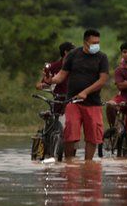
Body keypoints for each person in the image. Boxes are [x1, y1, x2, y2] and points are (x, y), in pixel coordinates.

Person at [44, 29, 108, 161]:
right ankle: (69, 161)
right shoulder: (73, 55)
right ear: (85, 42)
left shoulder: (102, 57)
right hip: (73, 101)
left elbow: (102, 80)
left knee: (93, 135)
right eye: (93, 42)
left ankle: (88, 163)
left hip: (93, 102)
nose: (96, 45)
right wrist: (51, 80)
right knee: (70, 133)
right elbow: (62, 75)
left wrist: (86, 92)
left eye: (98, 42)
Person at [107, 41, 127, 141]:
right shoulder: (119, 70)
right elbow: (120, 86)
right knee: (110, 105)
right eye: (124, 52)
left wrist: (126, 83)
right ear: (121, 53)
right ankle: (113, 127)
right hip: (123, 97)